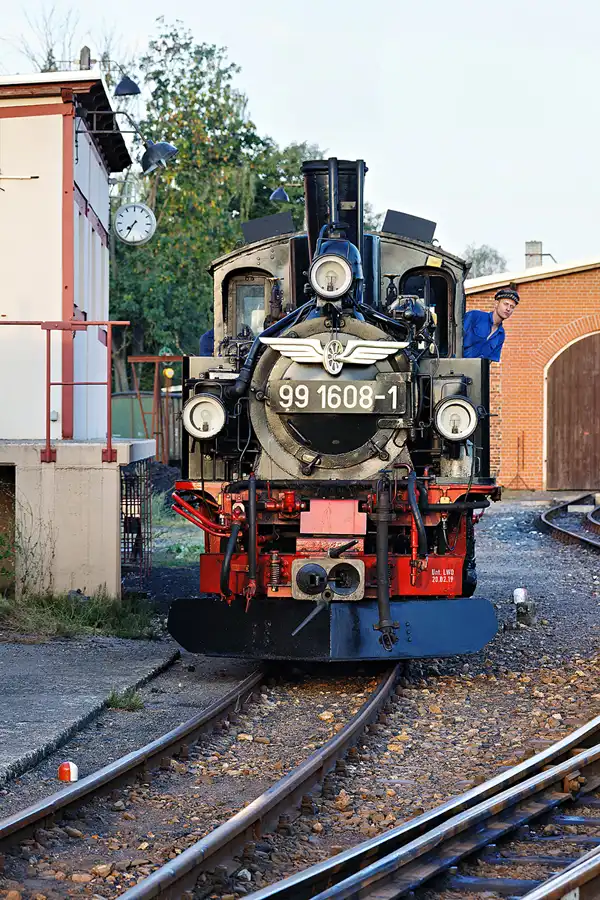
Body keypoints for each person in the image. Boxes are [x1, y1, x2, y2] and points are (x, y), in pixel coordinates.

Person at [463, 288, 519, 362]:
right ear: (496, 304)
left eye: (512, 307)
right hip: (453, 367)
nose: (508, 309)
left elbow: (489, 360)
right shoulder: (474, 316)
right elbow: (454, 339)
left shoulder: (501, 334)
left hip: (473, 372)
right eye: (506, 304)